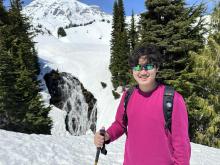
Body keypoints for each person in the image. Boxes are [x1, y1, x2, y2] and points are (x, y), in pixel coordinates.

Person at [94, 44, 191, 165]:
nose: (143, 72)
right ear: (132, 70)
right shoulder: (128, 96)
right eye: (138, 67)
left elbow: (181, 146)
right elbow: (120, 124)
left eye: (148, 66)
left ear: (157, 68)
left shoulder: (173, 99)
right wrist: (106, 135)